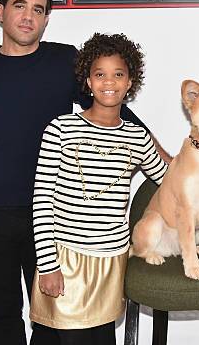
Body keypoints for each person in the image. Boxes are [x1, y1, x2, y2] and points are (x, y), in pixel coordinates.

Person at [0, 0, 169, 345]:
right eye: (20, 6)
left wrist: (165, 157)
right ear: (1, 12)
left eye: (39, 9)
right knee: (3, 310)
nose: (29, 16)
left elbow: (115, 111)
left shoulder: (66, 61)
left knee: (53, 324)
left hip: (54, 219)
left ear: (47, 18)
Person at [29, 33, 166, 344]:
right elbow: (41, 202)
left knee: (102, 338)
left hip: (111, 259)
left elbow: (169, 181)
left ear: (131, 82)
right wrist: (48, 265)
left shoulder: (137, 137)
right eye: (100, 74)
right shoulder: (61, 129)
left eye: (119, 74)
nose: (109, 82)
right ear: (87, 81)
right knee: (54, 337)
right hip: (65, 258)